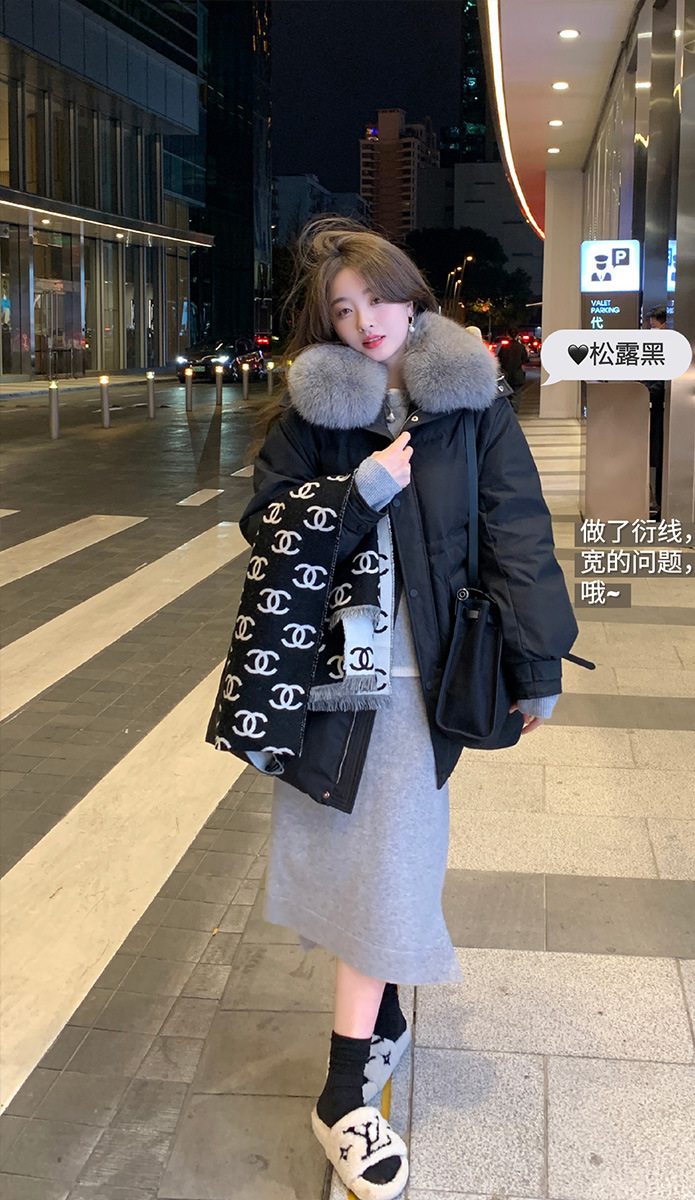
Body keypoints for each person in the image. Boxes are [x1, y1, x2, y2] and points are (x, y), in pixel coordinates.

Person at [226, 219, 577, 1198]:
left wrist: (537, 659)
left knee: (385, 862)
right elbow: (267, 523)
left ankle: (356, 1065)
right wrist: (361, 490)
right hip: (331, 679)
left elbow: (517, 531)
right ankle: (351, 1082)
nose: (366, 320)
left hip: (425, 681)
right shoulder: (318, 412)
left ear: (414, 296)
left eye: (378, 297)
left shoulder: (470, 404)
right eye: (343, 310)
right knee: (367, 863)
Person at [644, 304, 668, 516]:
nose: (652, 330)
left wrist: (646, 392)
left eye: (654, 326)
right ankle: (656, 502)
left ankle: (660, 503)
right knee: (654, 460)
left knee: (660, 461)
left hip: (663, 414)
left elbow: (663, 384)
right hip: (654, 411)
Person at [496, 331, 529, 413]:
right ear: (517, 335)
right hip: (517, 374)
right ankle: (515, 410)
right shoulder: (521, 347)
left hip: (506, 375)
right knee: (517, 393)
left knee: (506, 394)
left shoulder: (504, 347)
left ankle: (507, 410)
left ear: (508, 335)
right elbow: (525, 360)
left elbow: (499, 359)